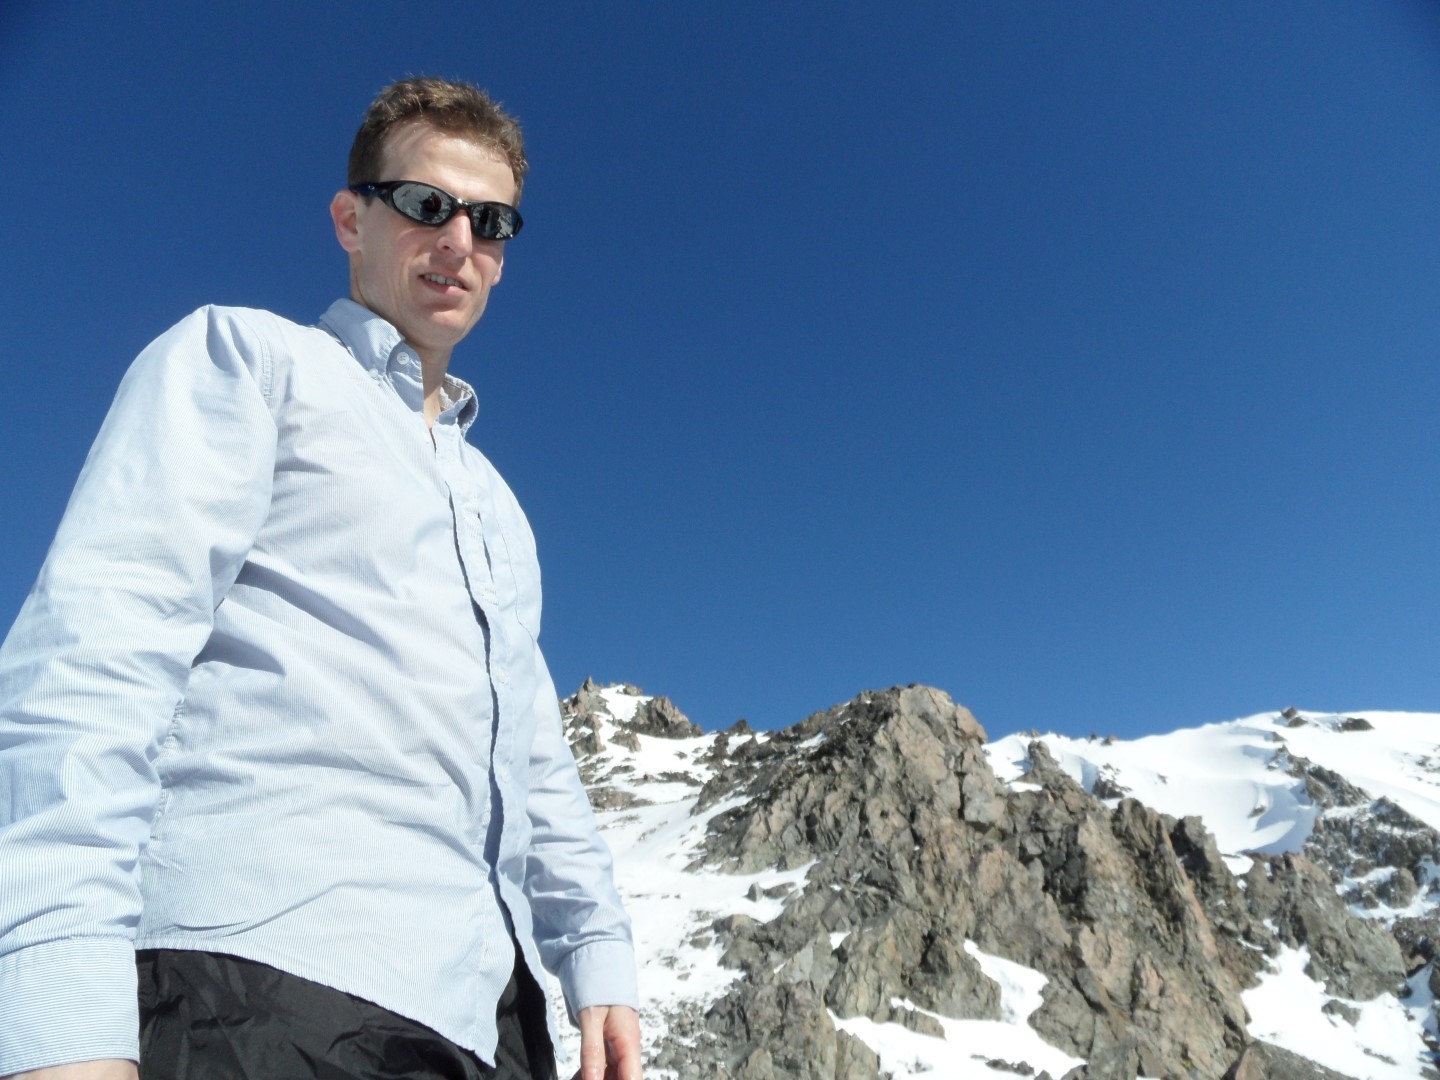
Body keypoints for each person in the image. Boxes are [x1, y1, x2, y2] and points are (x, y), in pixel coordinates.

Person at [0, 77, 642, 1080]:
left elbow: (530, 753)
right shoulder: (248, 360)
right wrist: (59, 1016)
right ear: (351, 219)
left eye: (491, 222)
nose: (459, 240)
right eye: (426, 203)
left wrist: (595, 951)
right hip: (255, 988)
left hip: (485, 1025)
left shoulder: (497, 508)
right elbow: (94, 652)